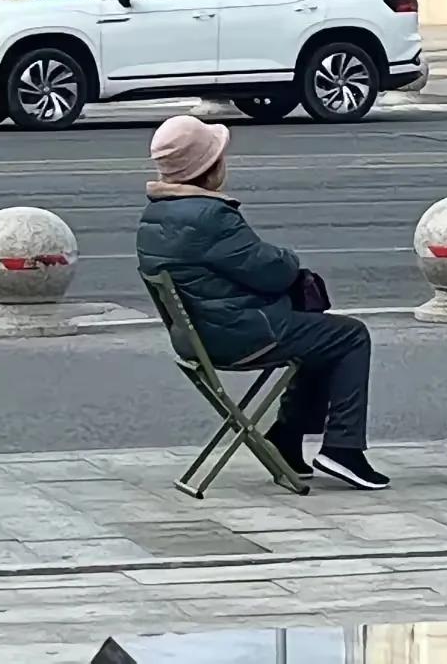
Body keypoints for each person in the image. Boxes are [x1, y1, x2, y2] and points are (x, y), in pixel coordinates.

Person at [136, 114, 388, 491]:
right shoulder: (210, 217)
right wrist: (289, 259)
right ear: (209, 167)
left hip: (197, 336)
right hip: (238, 335)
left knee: (318, 335)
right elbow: (271, 270)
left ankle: (288, 439)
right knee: (350, 335)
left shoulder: (156, 214)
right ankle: (343, 446)